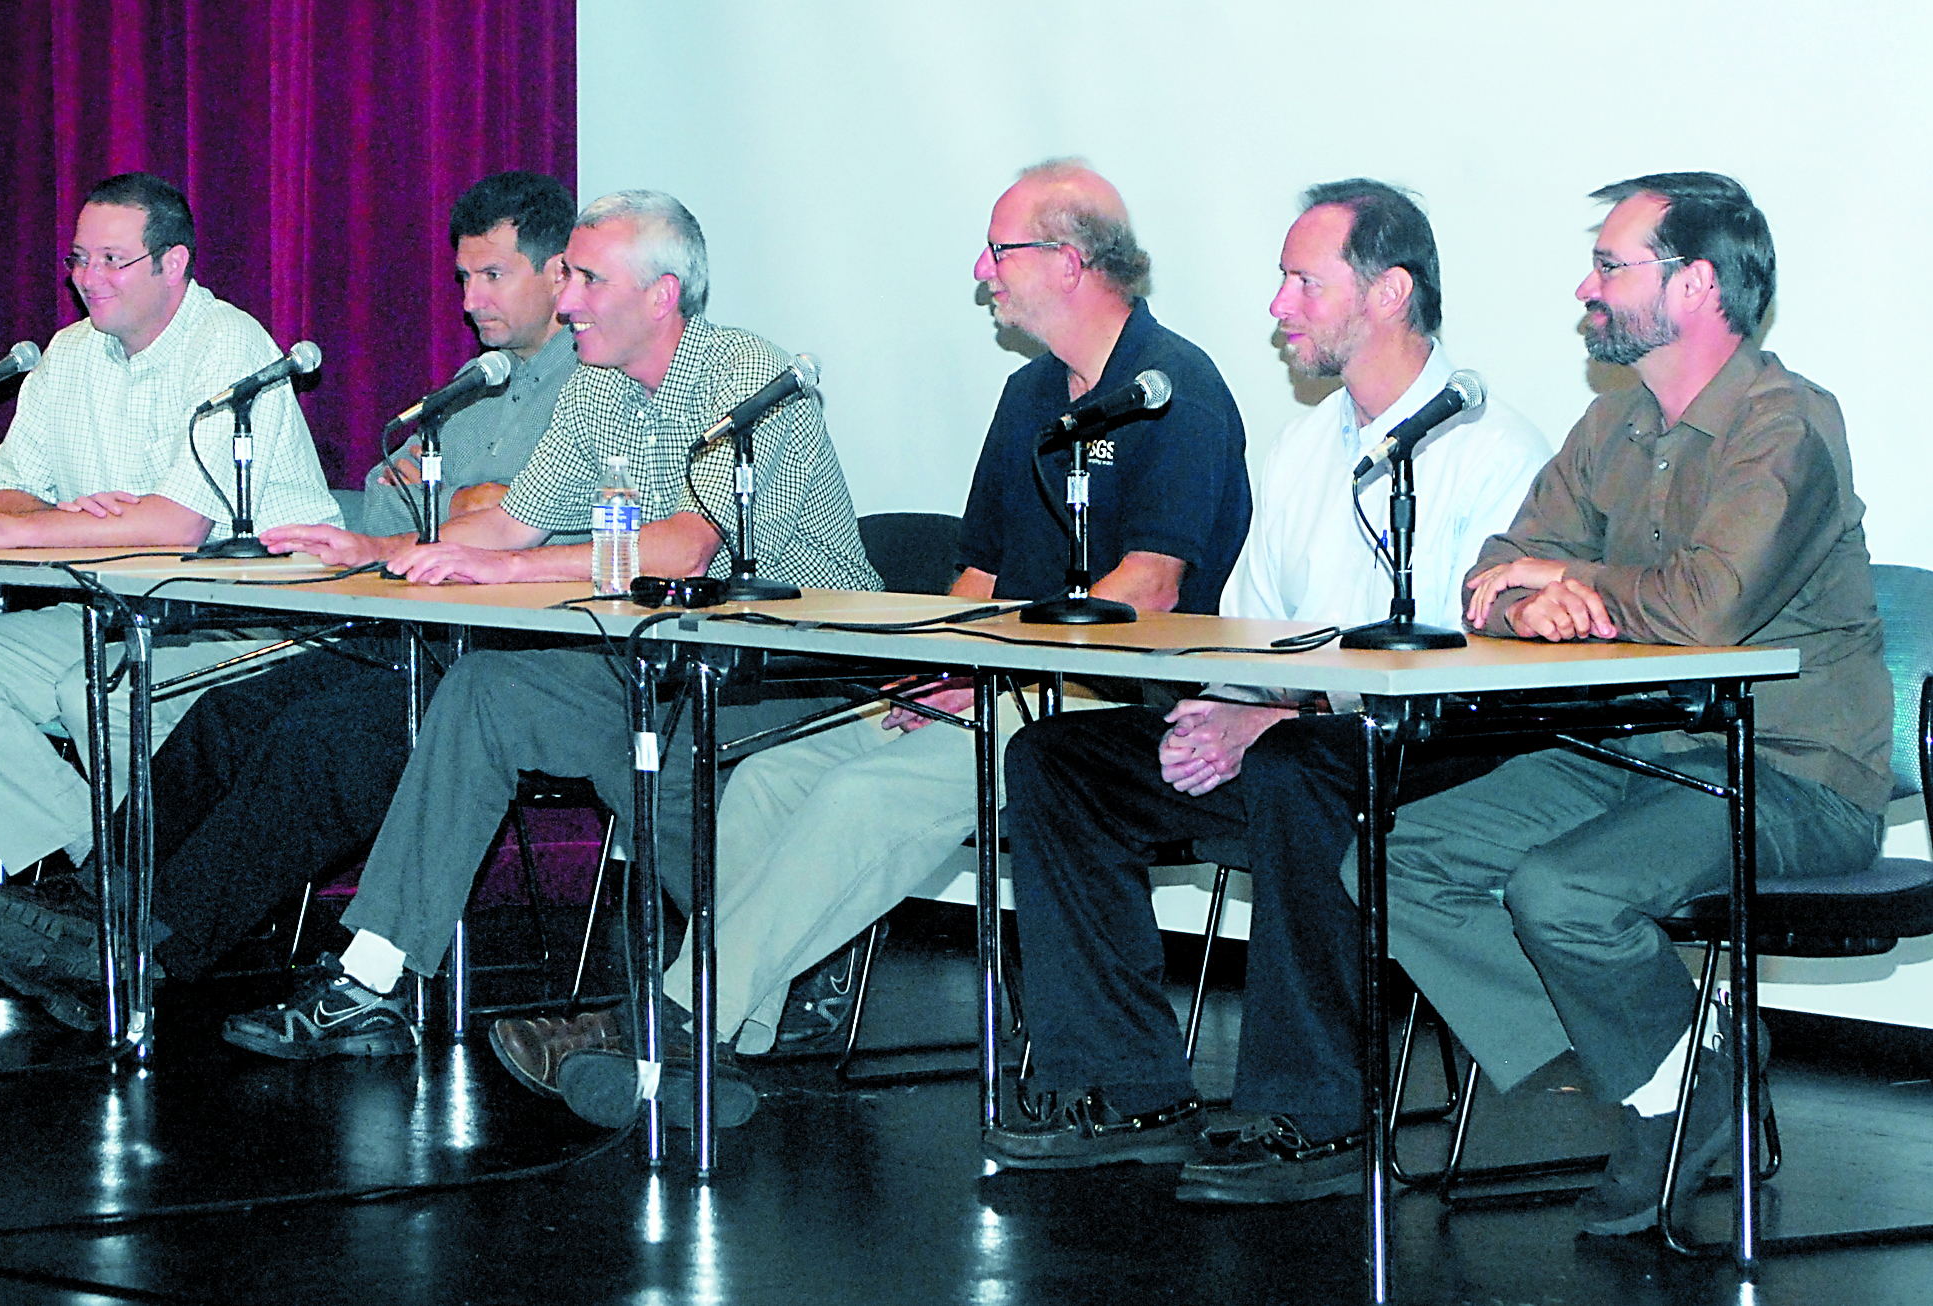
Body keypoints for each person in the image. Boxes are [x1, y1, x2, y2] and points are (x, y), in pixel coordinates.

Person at [523, 159, 1249, 1092]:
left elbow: (1144, 591)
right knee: (767, 782)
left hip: (1096, 702)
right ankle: (736, 1045)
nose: (981, 271)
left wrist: (991, 673)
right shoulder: (1029, 396)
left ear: (1069, 261)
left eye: (999, 251)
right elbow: (978, 572)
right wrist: (926, 667)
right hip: (989, 680)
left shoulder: (1171, 387)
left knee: (859, 802)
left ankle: (669, 1026)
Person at [217, 191, 881, 1100]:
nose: (565, 300)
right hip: (665, 663)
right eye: (565, 274)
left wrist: (503, 574)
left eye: (585, 278)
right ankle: (371, 981)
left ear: (661, 295)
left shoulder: (745, 377)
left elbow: (688, 545)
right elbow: (517, 525)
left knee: (661, 759)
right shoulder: (597, 385)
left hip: (798, 663)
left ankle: (800, 956)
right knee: (487, 693)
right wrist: (378, 549)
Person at [1335, 173, 1888, 1237]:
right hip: (1645, 754)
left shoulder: (1786, 425)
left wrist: (1568, 590)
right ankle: (1678, 1065)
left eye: (1609, 265)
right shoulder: (1611, 426)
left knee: (1561, 893)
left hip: (1793, 775)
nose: (1583, 286)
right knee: (1391, 859)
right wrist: (1533, 593)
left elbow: (1702, 612)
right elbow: (1490, 575)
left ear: (1692, 286)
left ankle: (1665, 1078)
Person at [982, 180, 1552, 1188]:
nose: (1278, 306)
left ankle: (1318, 1113)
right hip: (1294, 735)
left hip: (1439, 757)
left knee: (1297, 771)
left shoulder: (1493, 451)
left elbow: (1475, 670)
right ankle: (1126, 1084)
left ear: (1388, 294)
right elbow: (1246, 623)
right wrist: (1225, 702)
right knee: (1054, 762)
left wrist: (1275, 712)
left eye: (1302, 280)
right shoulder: (1305, 448)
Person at [0, 171, 583, 1029]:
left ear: (558, 274)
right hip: (422, 624)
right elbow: (400, 506)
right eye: (462, 277)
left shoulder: (597, 387)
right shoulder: (473, 388)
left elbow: (532, 525)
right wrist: (468, 514)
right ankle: (89, 905)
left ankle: (143, 954)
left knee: (320, 741)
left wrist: (475, 515)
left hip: (521, 647)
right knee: (228, 715)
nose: (468, 299)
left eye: (492, 276)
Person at [0, 172, 341, 884]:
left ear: (173, 263)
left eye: (111, 260)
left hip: (256, 623)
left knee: (94, 688)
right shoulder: (67, 355)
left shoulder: (228, 344)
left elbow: (176, 526)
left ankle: (162, 888)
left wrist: (44, 530)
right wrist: (62, 519)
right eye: (77, 259)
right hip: (121, 613)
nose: (87, 279)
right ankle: (104, 864)